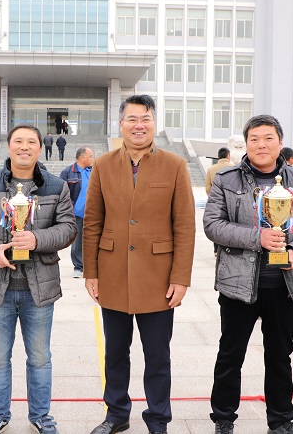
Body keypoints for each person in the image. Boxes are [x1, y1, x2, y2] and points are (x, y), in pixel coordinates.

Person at [204, 114, 293, 434]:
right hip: (238, 284)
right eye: (254, 139)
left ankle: (281, 420)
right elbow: (212, 225)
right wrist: (256, 237)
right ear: (246, 144)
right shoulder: (227, 179)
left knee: (280, 355)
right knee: (230, 354)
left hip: (284, 285)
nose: (261, 144)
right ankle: (223, 418)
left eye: (268, 138)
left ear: (280, 143)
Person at [83, 95, 195, 434]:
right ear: (120, 124)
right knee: (115, 353)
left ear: (154, 124)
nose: (139, 125)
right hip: (113, 273)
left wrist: (181, 278)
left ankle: (158, 418)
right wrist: (91, 272)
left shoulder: (175, 165)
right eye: (132, 119)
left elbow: (184, 226)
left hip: (158, 277)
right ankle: (116, 414)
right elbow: (92, 221)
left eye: (145, 119)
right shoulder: (103, 164)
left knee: (158, 356)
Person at [0, 124, 76, 434]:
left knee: (39, 357)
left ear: (40, 148)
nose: (24, 147)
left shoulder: (56, 186)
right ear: (8, 146)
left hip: (39, 289)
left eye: (31, 142)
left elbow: (68, 228)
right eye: (18, 141)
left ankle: (41, 416)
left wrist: (37, 239)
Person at [59, 147, 94, 278]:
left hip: (93, 213)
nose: (92, 159)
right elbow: (61, 193)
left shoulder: (95, 171)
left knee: (93, 240)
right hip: (76, 213)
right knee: (77, 241)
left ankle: (92, 266)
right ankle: (78, 267)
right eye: (90, 156)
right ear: (82, 157)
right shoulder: (68, 172)